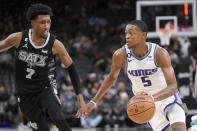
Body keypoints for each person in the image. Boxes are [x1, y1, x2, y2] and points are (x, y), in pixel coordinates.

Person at [77, 20, 187, 131]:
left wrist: (152, 98)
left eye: (131, 33)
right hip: (146, 105)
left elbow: (173, 87)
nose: (127, 37)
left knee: (179, 128)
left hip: (166, 98)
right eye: (126, 34)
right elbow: (110, 79)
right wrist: (92, 102)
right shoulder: (120, 55)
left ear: (143, 35)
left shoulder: (159, 53)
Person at [0, 3, 85, 131]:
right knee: (43, 129)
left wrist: (80, 98)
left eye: (48, 22)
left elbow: (71, 68)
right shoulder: (18, 38)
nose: (46, 26)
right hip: (25, 94)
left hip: (45, 89)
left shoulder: (55, 44)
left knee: (60, 120)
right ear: (32, 23)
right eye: (42, 22)